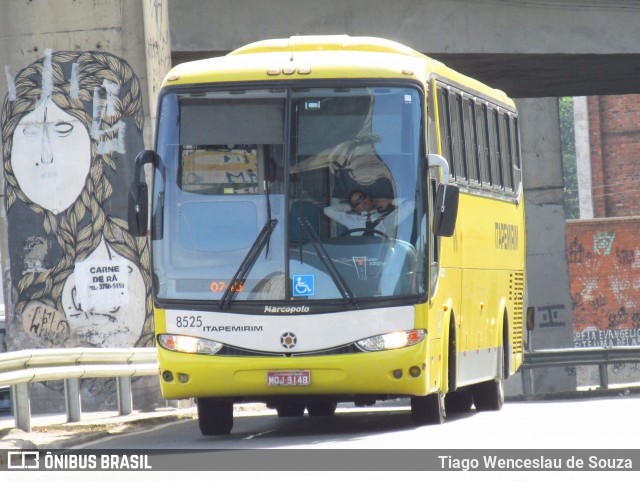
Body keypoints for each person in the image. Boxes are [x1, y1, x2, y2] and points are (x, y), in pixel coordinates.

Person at [324, 189, 408, 236]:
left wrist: (390, 201)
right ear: (355, 208)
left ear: (368, 197)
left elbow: (412, 204)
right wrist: (351, 208)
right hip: (361, 258)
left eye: (362, 198)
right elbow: (328, 210)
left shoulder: (387, 218)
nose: (362, 202)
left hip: (385, 258)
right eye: (357, 203)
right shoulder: (351, 220)